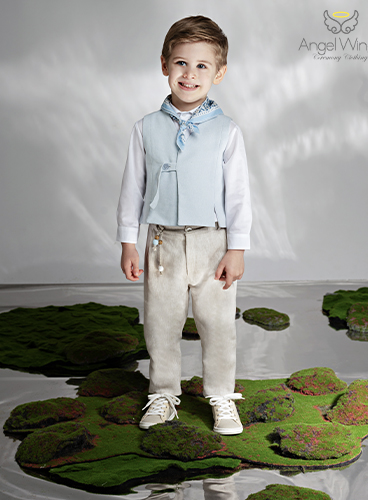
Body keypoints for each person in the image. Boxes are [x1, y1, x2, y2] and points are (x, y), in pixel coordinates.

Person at [116, 15, 251, 435]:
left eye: (201, 66)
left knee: (217, 324)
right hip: (163, 245)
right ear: (164, 65)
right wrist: (128, 241)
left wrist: (237, 248)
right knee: (161, 322)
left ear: (219, 73)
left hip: (213, 244)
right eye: (180, 63)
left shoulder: (227, 132)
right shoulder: (146, 128)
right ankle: (163, 393)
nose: (189, 74)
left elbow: (238, 195)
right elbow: (132, 187)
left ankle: (222, 395)